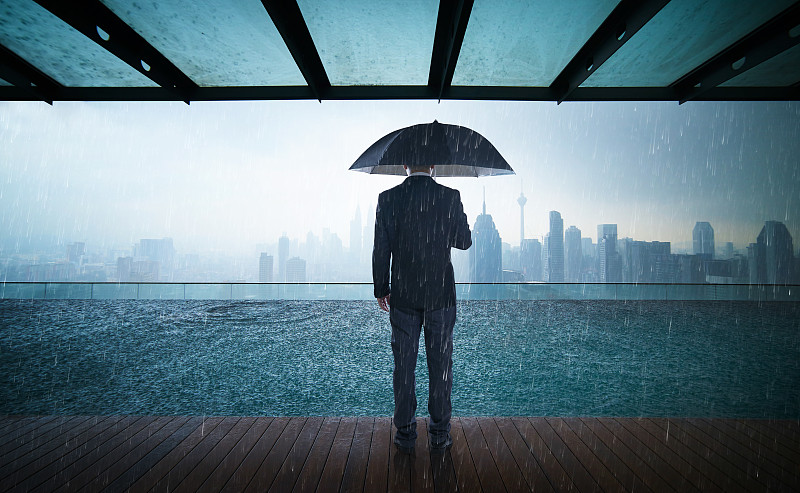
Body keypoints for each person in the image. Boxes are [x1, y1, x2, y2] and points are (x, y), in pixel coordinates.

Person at [372, 164, 472, 454]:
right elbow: (463, 241)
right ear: (432, 166)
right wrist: (452, 217)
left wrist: (381, 288)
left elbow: (382, 248)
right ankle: (439, 436)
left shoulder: (388, 198)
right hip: (440, 297)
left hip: (402, 296)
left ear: (404, 165)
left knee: (404, 368)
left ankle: (405, 436)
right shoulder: (449, 197)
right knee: (440, 368)